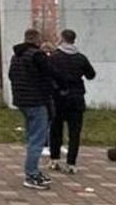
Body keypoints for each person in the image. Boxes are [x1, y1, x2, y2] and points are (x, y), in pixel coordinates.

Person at [8, 28, 57, 190]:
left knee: (31, 136)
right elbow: (49, 74)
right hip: (37, 100)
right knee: (37, 140)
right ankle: (31, 174)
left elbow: (11, 76)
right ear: (37, 40)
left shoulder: (16, 56)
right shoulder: (37, 55)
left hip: (22, 100)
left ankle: (33, 171)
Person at [48, 28, 96, 174]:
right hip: (77, 98)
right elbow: (91, 75)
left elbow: (48, 75)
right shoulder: (81, 58)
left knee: (56, 130)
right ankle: (71, 163)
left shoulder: (54, 57)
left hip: (58, 98)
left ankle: (55, 159)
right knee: (75, 132)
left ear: (62, 39)